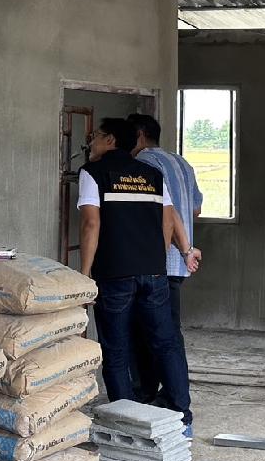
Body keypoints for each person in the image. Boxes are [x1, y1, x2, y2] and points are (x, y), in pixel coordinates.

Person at [78, 117, 193, 435]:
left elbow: (91, 223)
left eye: (96, 136)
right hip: (154, 272)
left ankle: (125, 423)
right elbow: (168, 219)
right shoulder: (153, 175)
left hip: (115, 273)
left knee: (116, 348)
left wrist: (84, 276)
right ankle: (182, 417)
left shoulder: (93, 173)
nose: (91, 142)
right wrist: (162, 257)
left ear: (110, 140)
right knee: (165, 343)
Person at [127, 113, 202, 406]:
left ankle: (158, 393)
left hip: (156, 260)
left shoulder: (144, 163)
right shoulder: (181, 162)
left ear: (139, 135)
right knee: (168, 330)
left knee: (151, 332)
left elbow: (160, 210)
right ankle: (169, 392)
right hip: (179, 262)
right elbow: (194, 209)